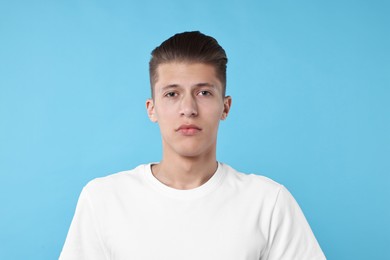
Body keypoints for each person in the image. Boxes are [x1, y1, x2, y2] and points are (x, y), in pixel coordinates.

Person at [60, 31, 326, 260]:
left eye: (204, 93)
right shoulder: (103, 199)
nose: (188, 109)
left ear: (225, 106)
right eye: (172, 94)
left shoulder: (268, 202)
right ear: (152, 109)